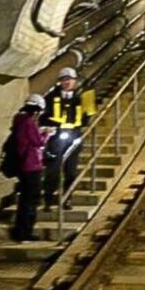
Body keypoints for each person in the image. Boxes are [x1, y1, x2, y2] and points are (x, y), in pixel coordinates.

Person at [40, 67, 96, 211]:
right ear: (59, 82)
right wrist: (53, 125)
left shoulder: (80, 98)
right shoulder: (51, 98)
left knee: (71, 171)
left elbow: (86, 117)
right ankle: (48, 200)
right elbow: (43, 117)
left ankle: (67, 199)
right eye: (64, 80)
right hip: (56, 137)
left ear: (75, 81)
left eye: (69, 80)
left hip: (74, 137)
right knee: (53, 171)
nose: (67, 82)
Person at [10, 94, 51, 241]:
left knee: (24, 200)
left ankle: (19, 231)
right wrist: (47, 134)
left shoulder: (18, 119)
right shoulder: (29, 122)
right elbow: (37, 142)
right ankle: (25, 231)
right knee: (31, 200)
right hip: (31, 165)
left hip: (22, 164)